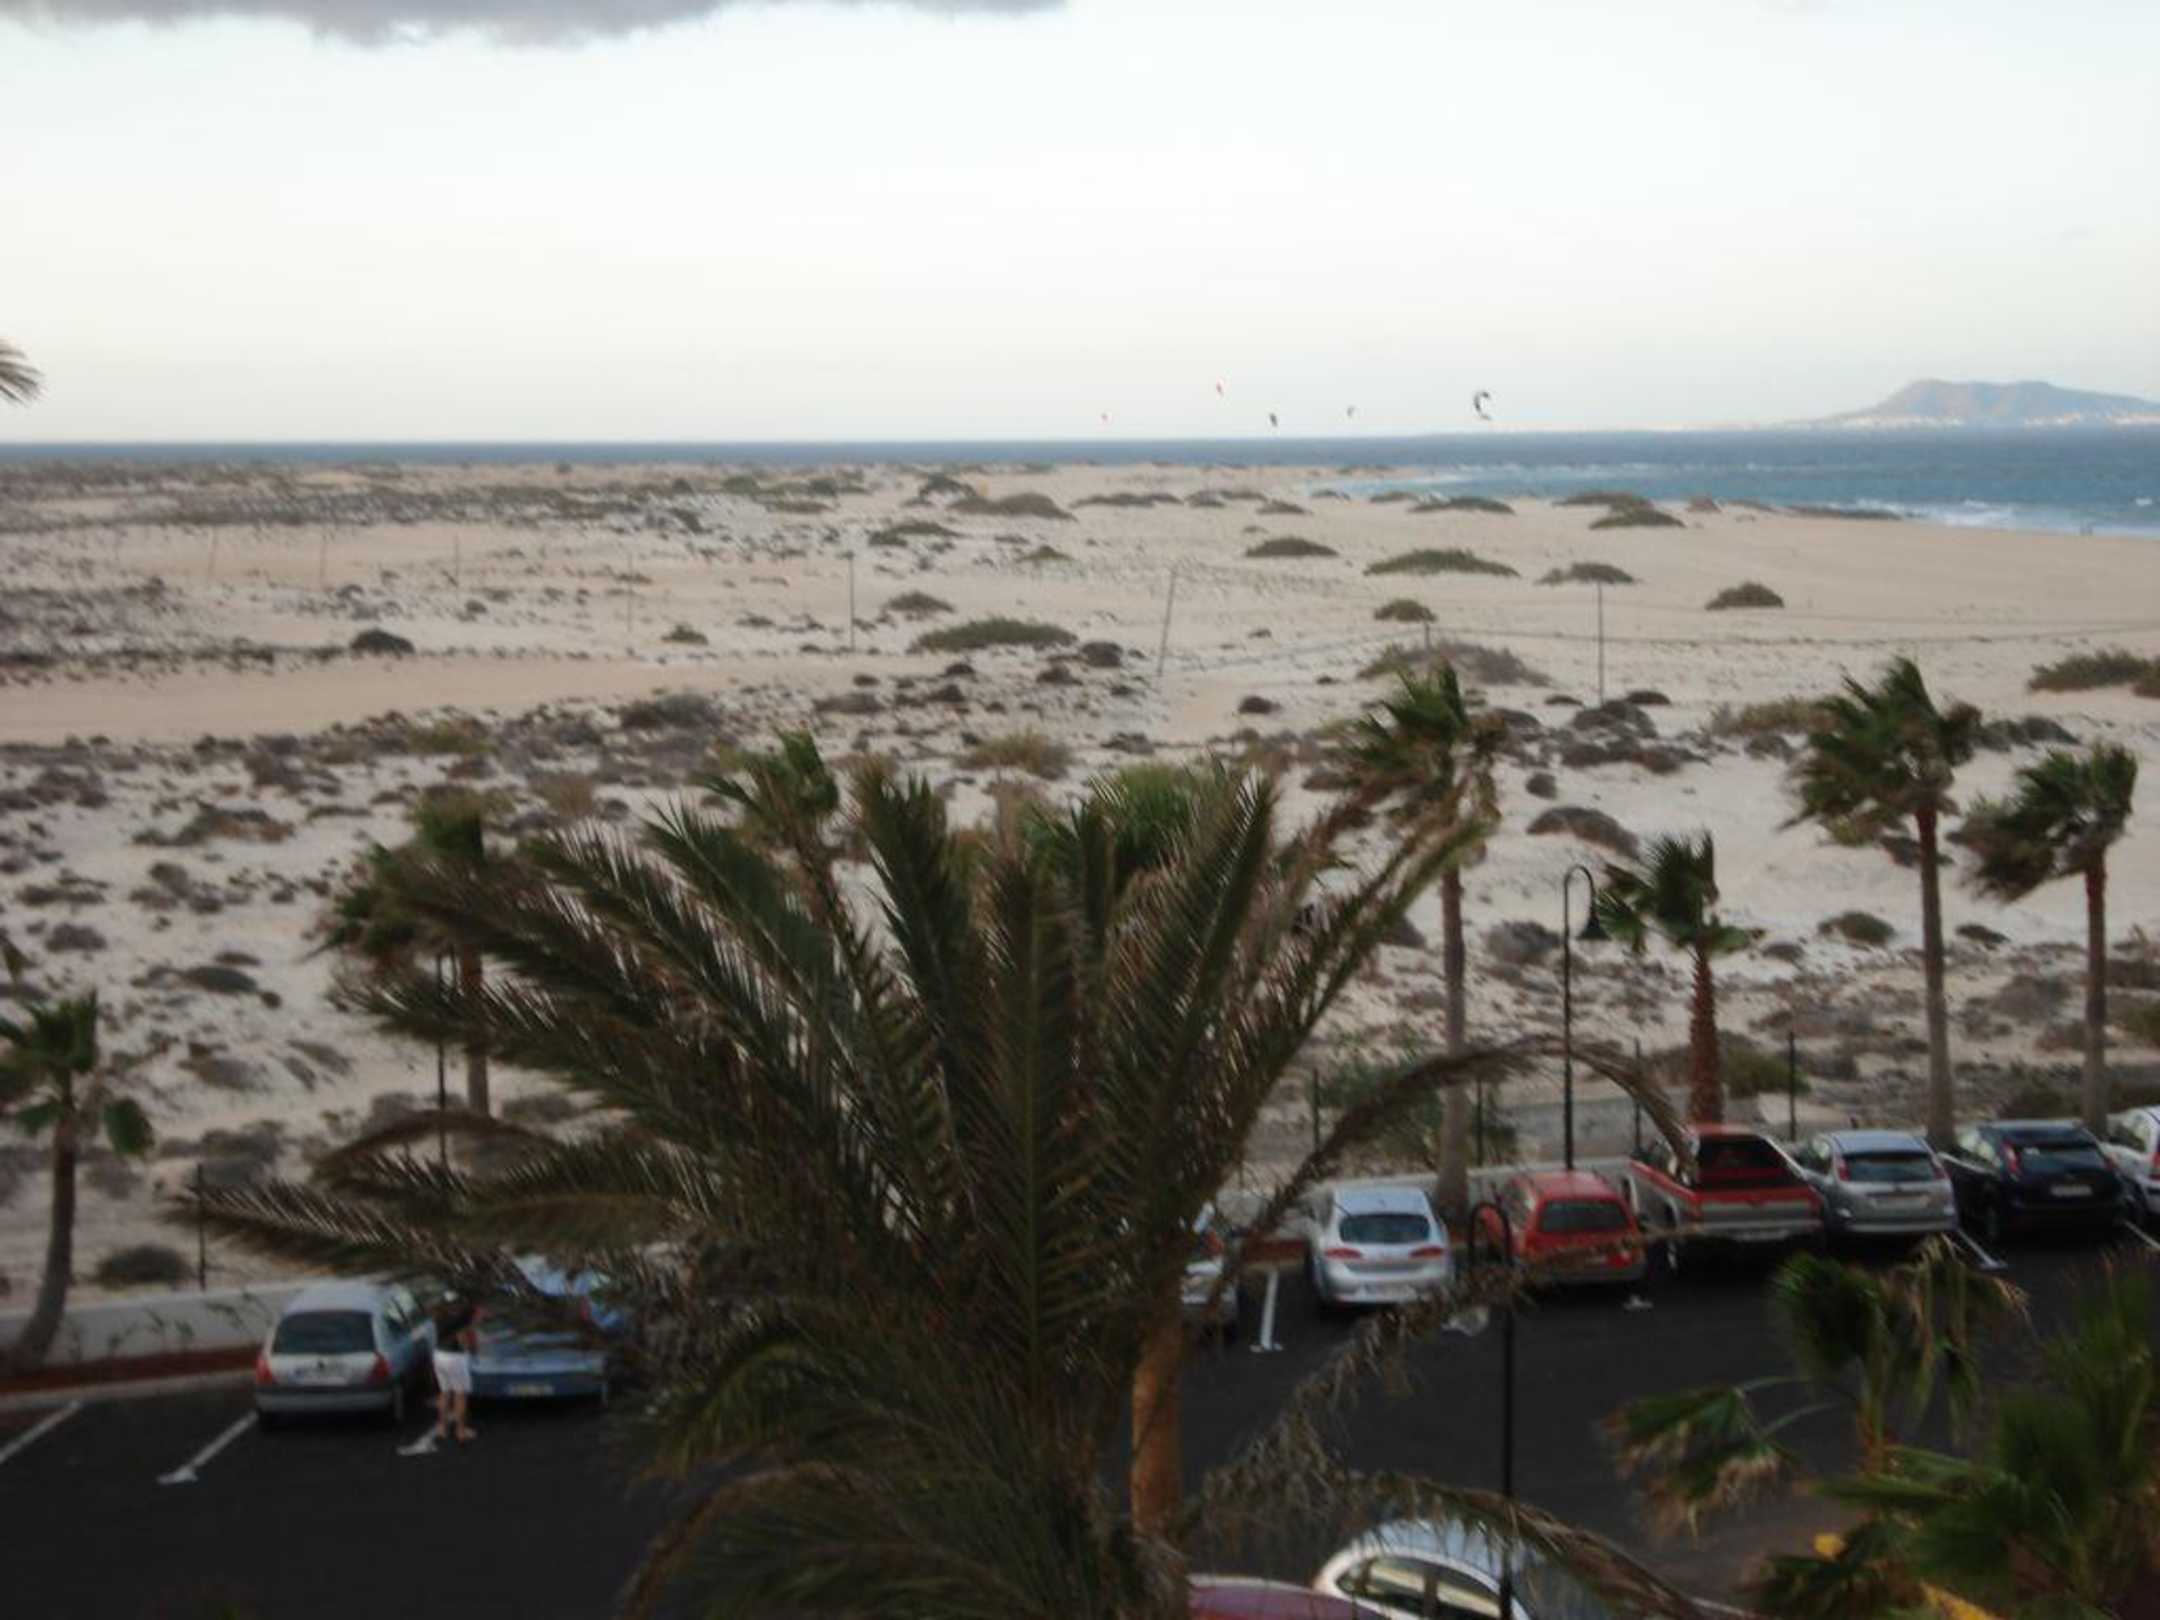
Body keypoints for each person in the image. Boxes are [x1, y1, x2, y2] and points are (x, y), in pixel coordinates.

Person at [431, 1303, 478, 1443]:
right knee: (460, 1394)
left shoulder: (439, 1316)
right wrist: (471, 1348)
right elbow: (462, 1340)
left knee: (444, 1392)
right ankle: (460, 1430)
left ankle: (442, 1427)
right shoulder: (460, 1320)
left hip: (439, 1355)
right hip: (455, 1358)